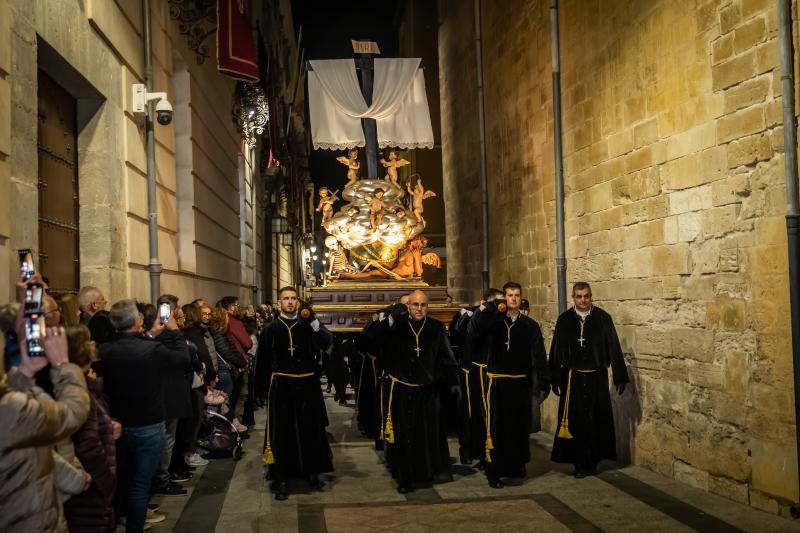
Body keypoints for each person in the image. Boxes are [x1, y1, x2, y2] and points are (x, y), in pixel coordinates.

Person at [95, 299, 190, 532]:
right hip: (148, 423)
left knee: (121, 480)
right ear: (137, 321)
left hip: (117, 424)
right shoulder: (152, 350)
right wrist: (175, 331)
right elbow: (183, 359)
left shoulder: (103, 350)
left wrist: (152, 333)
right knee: (140, 485)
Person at [1, 310, 90, 533]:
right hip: (27, 520)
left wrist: (24, 372)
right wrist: (62, 365)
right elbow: (73, 413)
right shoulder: (10, 410)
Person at [373, 290, 459, 493]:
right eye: (415, 305)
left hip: (428, 392)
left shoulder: (436, 327)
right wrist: (391, 316)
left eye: (423, 305)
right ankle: (405, 477)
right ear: (408, 306)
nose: (419, 309)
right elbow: (375, 340)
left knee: (427, 434)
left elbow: (446, 357)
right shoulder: (397, 326)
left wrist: (452, 382)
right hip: (402, 390)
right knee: (404, 436)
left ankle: (426, 472)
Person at [253, 286, 333, 501]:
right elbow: (262, 361)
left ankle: (312, 471)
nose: (290, 302)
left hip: (308, 385)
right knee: (283, 433)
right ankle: (282, 477)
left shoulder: (307, 326)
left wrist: (315, 321)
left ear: (298, 302)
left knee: (310, 430)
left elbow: (327, 342)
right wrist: (259, 391)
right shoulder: (271, 329)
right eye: (286, 299)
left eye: (293, 299)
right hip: (282, 387)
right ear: (279, 303)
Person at [467, 282, 549, 488]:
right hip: (497, 384)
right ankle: (494, 471)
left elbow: (538, 356)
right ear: (504, 297)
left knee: (519, 427)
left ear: (521, 298)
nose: (513, 299)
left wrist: (543, 382)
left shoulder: (530, 326)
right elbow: (473, 330)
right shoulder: (493, 322)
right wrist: (488, 309)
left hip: (520, 384)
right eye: (509, 295)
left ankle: (517, 465)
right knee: (497, 428)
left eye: (517, 295)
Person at [549, 282, 629, 479]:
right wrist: (554, 377)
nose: (582, 300)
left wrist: (619, 376)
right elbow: (556, 349)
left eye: (586, 296)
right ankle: (578, 462)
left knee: (596, 420)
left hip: (596, 378)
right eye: (578, 296)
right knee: (575, 421)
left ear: (591, 297)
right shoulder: (565, 320)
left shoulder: (603, 319)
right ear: (573, 298)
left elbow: (613, 347)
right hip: (572, 379)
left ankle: (593, 460)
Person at [63, 325, 122, 532]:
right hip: (90, 492)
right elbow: (88, 446)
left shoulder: (85, 386)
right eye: (88, 342)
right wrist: (107, 482)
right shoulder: (77, 392)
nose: (94, 346)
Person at [453, 287, 502, 466]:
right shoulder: (472, 314)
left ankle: (486, 451)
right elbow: (460, 329)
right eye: (495, 302)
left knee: (488, 415)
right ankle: (467, 448)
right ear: (485, 302)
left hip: (489, 371)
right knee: (469, 413)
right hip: (470, 371)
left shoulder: (498, 318)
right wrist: (479, 312)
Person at [152, 294, 193, 496]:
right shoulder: (167, 334)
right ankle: (162, 480)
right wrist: (176, 330)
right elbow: (184, 359)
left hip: (165, 392)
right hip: (169, 392)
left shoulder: (154, 333)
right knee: (167, 439)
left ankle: (163, 477)